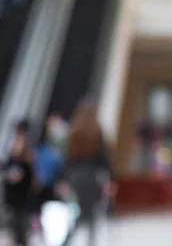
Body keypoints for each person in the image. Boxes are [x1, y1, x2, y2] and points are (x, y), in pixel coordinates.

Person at [62, 99, 113, 246]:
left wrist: (65, 178)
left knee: (82, 211)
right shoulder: (97, 132)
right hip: (91, 174)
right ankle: (90, 242)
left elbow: (68, 158)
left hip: (75, 175)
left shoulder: (74, 131)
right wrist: (111, 178)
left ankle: (67, 241)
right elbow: (104, 158)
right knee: (90, 213)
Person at [2, 120, 34, 246]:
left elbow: (27, 171)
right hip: (14, 191)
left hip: (21, 191)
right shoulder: (12, 144)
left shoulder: (27, 146)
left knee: (20, 221)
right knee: (14, 221)